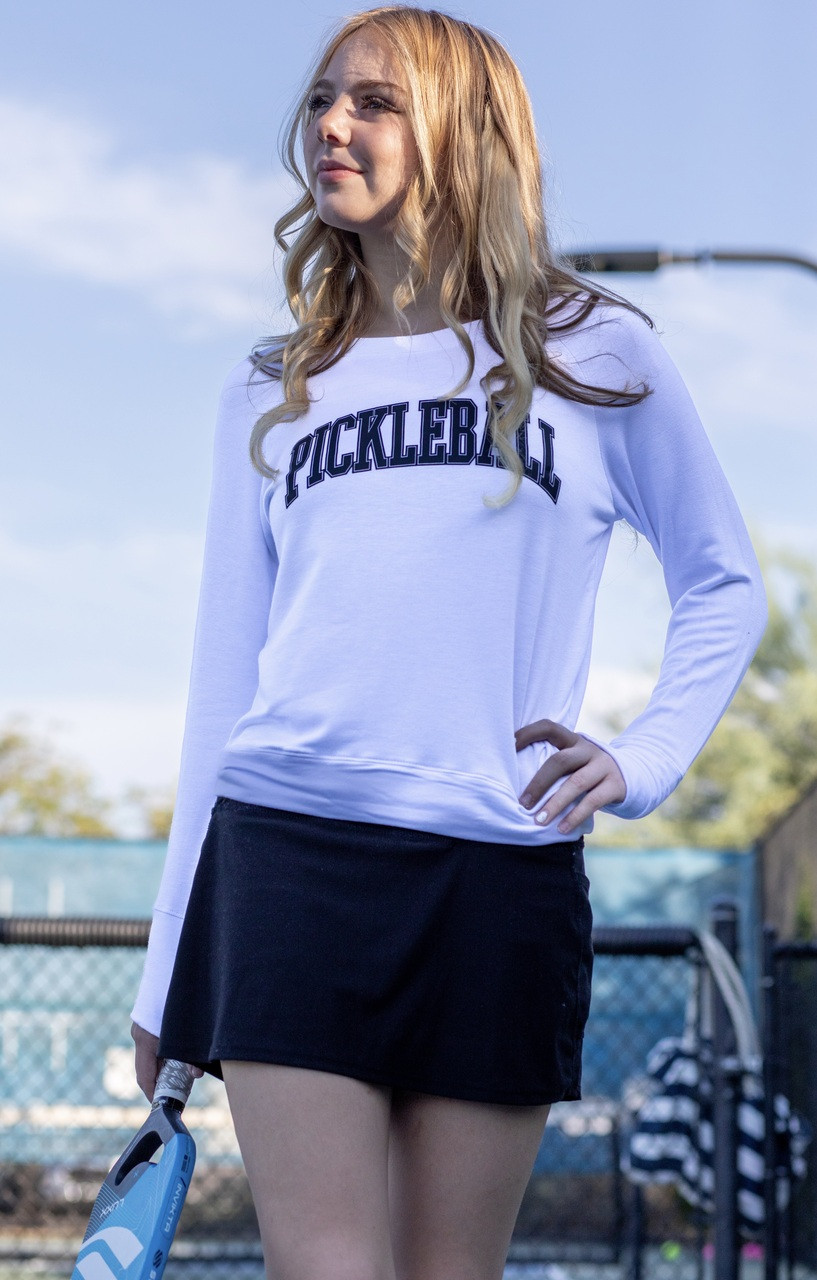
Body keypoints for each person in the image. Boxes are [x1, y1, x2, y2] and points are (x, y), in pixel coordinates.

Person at [130, 7, 766, 1278]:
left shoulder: (593, 350)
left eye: (373, 101)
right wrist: (165, 977)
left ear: (465, 133)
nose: (331, 125)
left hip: (500, 870)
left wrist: (640, 760)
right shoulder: (271, 383)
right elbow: (221, 680)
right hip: (290, 856)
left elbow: (723, 582)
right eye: (324, 99)